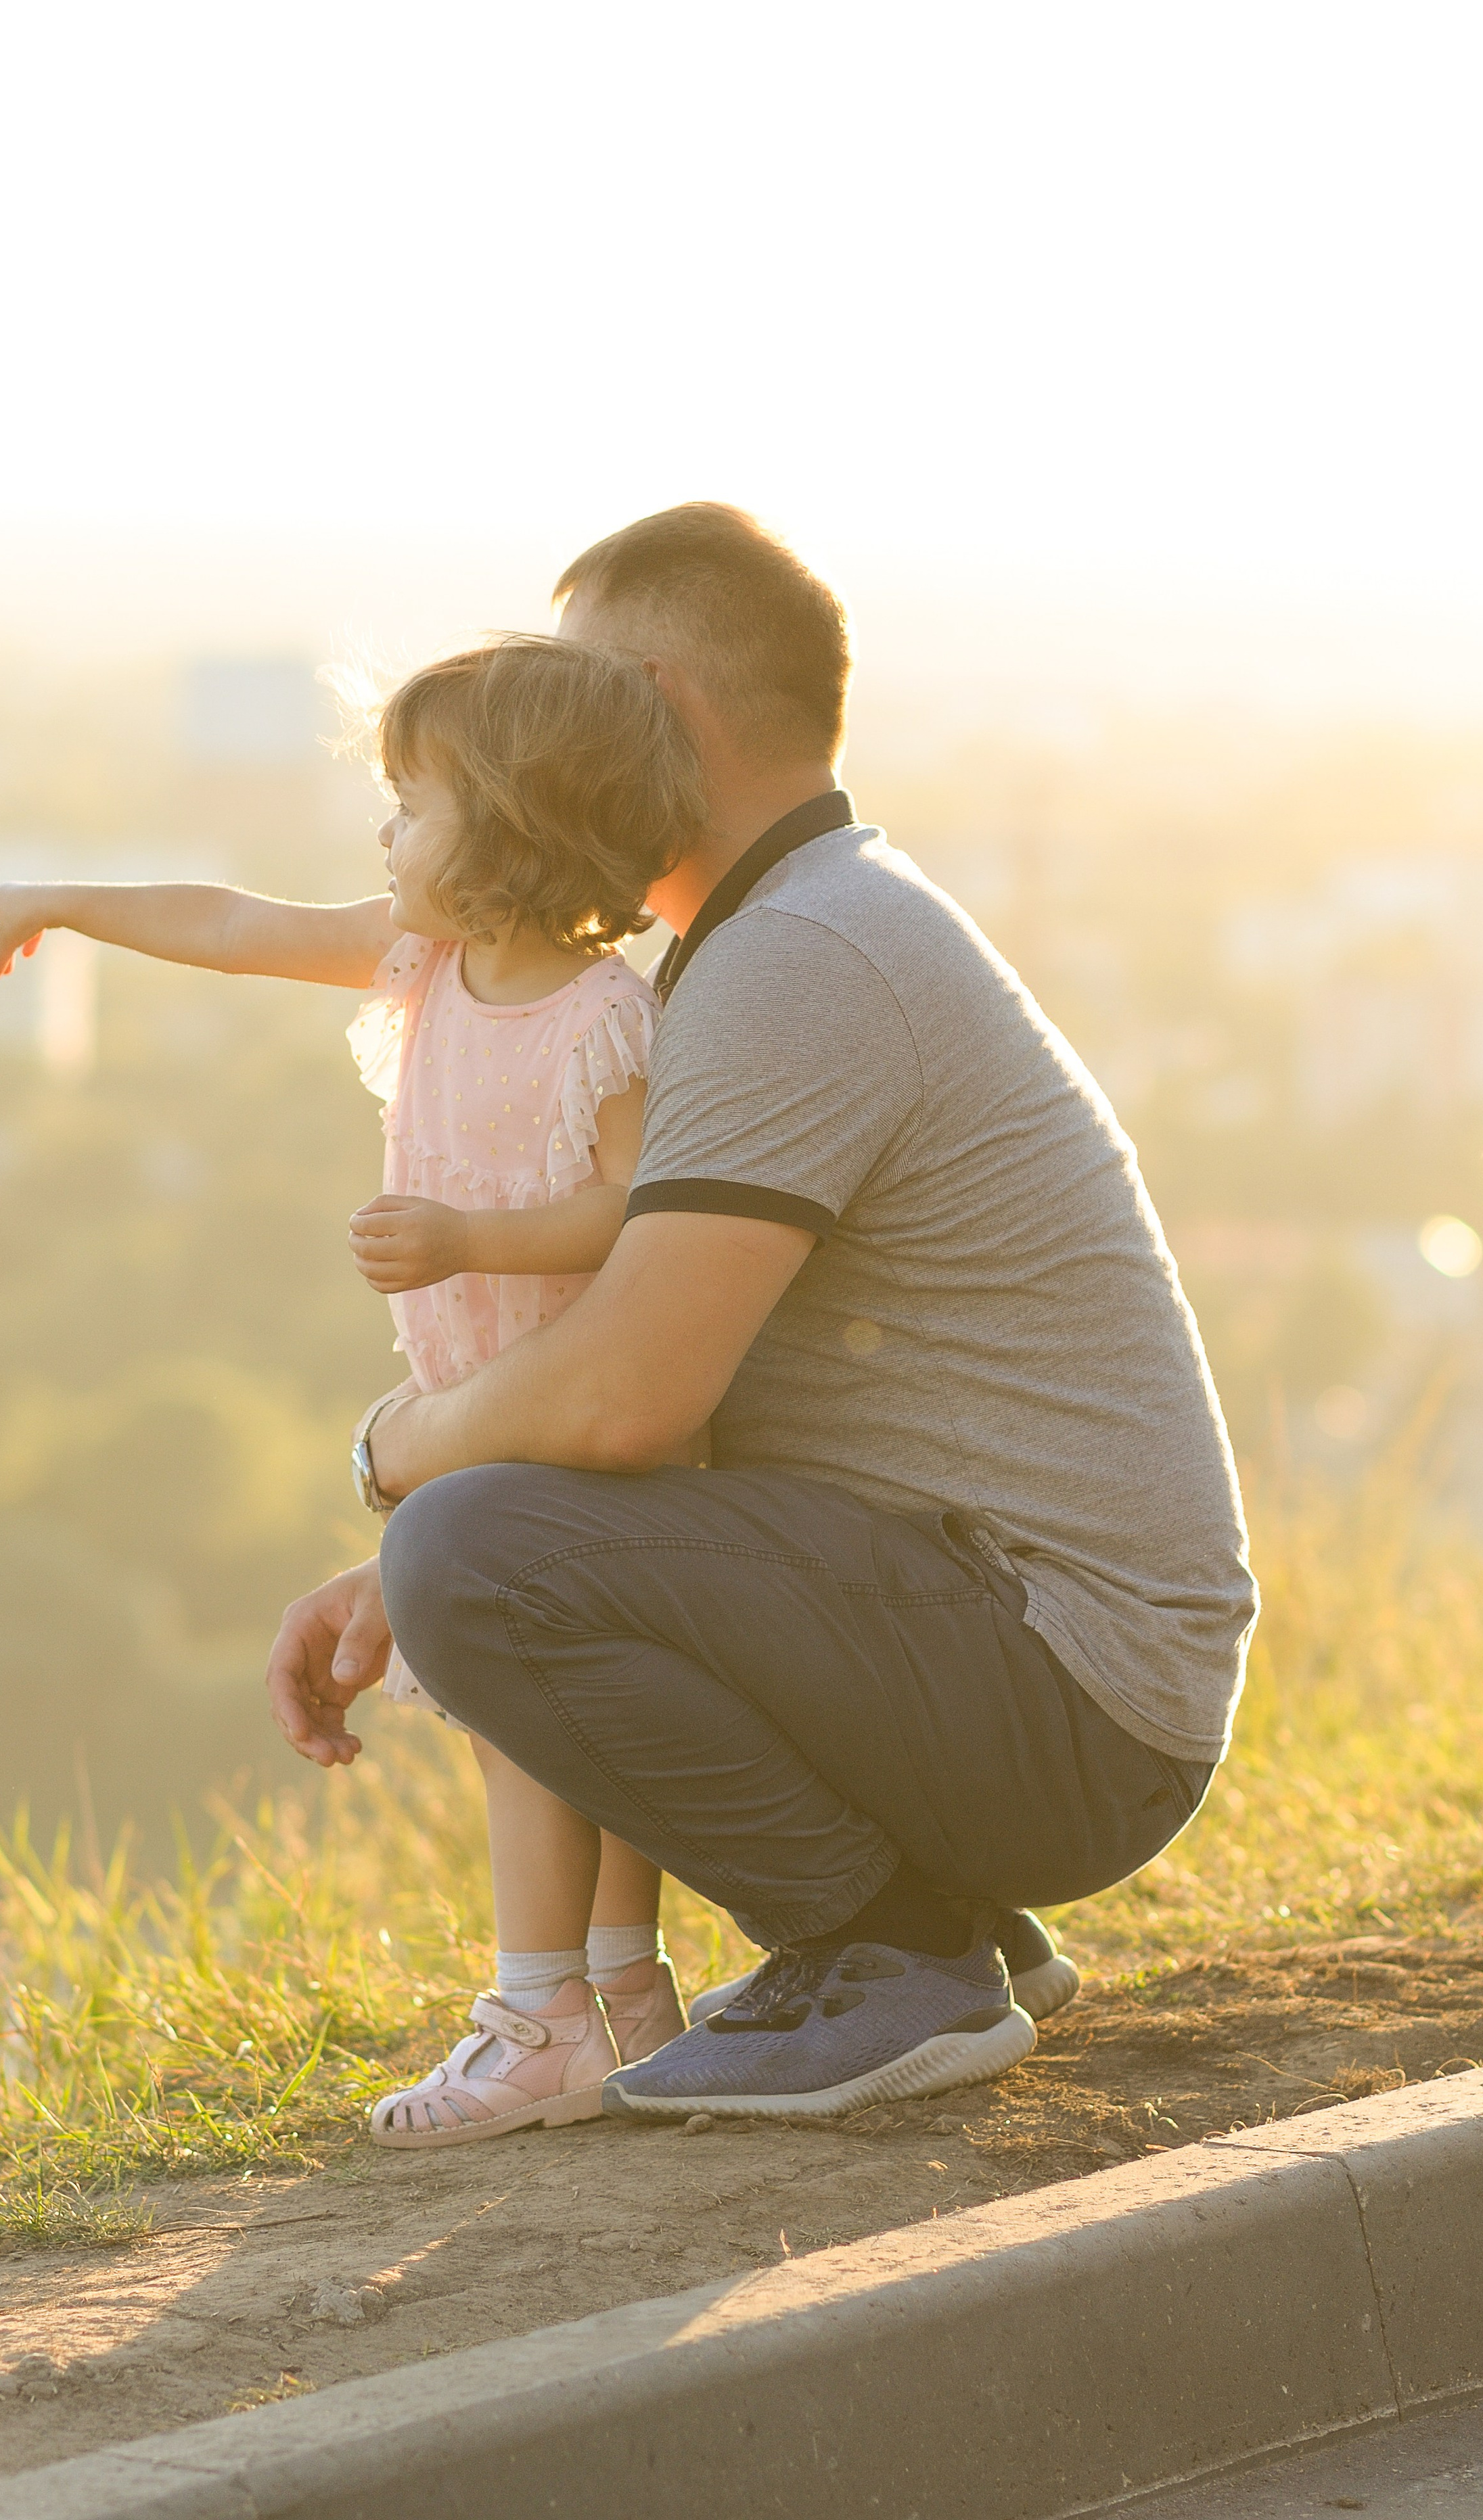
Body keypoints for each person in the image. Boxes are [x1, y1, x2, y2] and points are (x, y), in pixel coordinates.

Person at [267, 503, 1260, 2124]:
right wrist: (419, 1541)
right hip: (1046, 1668)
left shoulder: (797, 955)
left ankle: (884, 1955)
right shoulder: (789, 928)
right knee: (467, 1548)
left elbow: (624, 1402)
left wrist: (396, 1462)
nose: (533, 728)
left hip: (1070, 1693)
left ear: (661, 704)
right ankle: (941, 1931)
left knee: (470, 1550)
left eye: (565, 688)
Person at [0, 634, 708, 2141]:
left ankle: (541, 2010)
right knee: (557, 1719)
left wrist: (470, 1234)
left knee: (523, 1717)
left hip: (561, 1409)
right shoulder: (426, 960)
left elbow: (637, 1209)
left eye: (410, 805)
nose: (383, 834)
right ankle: (625, 1998)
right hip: (480, 1400)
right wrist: (63, 902)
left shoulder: (599, 1016)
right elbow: (227, 919)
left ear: (512, 825)